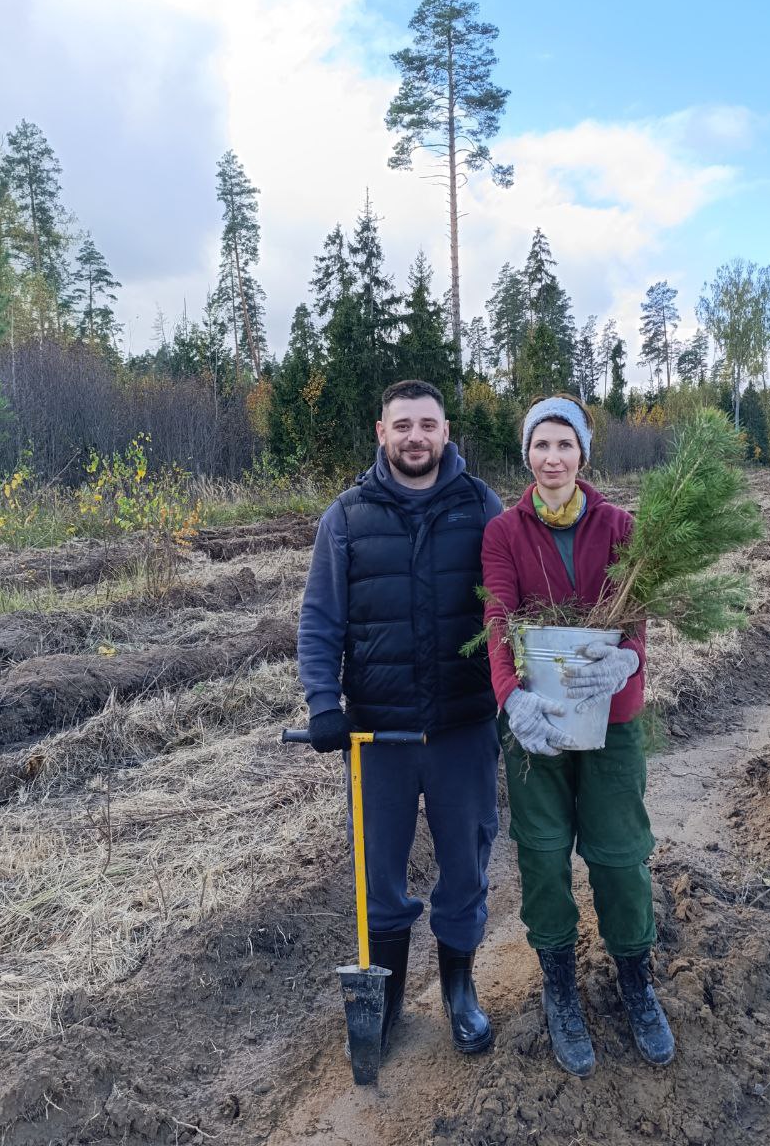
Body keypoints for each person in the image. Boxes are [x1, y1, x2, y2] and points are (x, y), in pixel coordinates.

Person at [298, 379, 502, 1058]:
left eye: (428, 425)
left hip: (464, 729)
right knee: (377, 876)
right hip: (376, 737)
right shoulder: (347, 517)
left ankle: (459, 994)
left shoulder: (482, 508)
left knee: (466, 870)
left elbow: (513, 608)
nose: (416, 436)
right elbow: (321, 620)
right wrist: (324, 704)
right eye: (403, 425)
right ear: (381, 434)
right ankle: (382, 1009)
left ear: (447, 433)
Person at [480, 393, 674, 1077]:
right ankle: (560, 987)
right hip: (537, 726)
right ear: (527, 454)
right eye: (541, 445)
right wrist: (512, 700)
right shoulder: (505, 531)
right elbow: (499, 617)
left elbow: (637, 611)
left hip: (610, 718)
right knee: (540, 852)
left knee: (620, 854)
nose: (553, 457)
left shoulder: (620, 525)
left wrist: (628, 657)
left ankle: (636, 980)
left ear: (582, 453)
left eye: (565, 444)